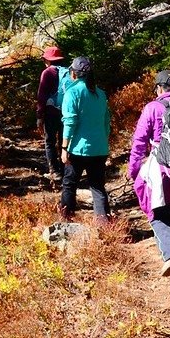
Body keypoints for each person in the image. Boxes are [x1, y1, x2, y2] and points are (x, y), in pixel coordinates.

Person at [128, 70, 170, 277]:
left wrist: (134, 171)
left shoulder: (152, 108)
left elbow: (139, 143)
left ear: (159, 88)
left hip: (161, 168)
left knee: (155, 211)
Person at [59, 56, 111, 223]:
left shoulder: (72, 93)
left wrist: (64, 147)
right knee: (97, 187)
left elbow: (69, 122)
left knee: (69, 183)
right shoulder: (100, 94)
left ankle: (66, 220)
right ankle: (104, 224)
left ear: (74, 73)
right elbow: (106, 123)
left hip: (77, 148)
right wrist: (104, 142)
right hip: (99, 148)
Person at [36, 46, 68, 180]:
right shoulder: (67, 72)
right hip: (65, 112)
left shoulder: (47, 73)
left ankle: (54, 171)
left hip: (51, 112)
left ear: (48, 60)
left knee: (49, 141)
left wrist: (39, 115)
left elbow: (42, 95)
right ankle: (64, 169)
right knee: (63, 141)